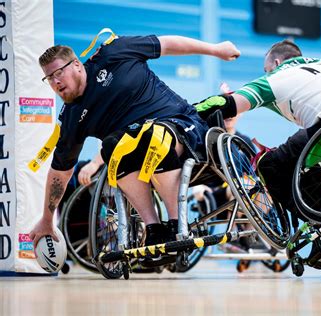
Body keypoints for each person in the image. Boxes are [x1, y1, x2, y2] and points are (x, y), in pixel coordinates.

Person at [29, 33, 240, 264]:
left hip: (182, 125)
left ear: (77, 65)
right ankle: (154, 229)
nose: (55, 82)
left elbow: (167, 44)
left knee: (153, 135)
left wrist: (215, 49)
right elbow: (60, 172)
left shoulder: (114, 53)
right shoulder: (72, 116)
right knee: (112, 147)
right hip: (141, 153)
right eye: (48, 78)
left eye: (58, 72)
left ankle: (175, 224)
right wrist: (47, 220)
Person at [195, 39, 321, 217]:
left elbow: (225, 103)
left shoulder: (274, 78)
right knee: (310, 175)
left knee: (269, 167)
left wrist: (190, 110)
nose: (266, 73)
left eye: (266, 69)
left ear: (276, 63)